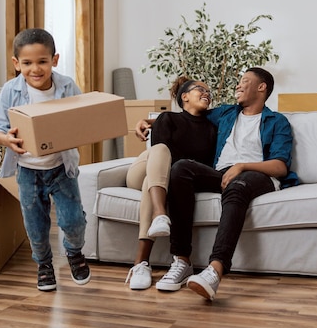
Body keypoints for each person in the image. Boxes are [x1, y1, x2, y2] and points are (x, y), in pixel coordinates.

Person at [137, 67, 298, 300]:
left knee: (237, 185)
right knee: (180, 168)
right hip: (221, 173)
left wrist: (242, 166)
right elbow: (190, 117)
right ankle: (182, 261)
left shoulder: (277, 121)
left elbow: (280, 166)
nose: (238, 86)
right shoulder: (225, 114)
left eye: (244, 82)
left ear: (261, 87)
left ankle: (215, 270)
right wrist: (149, 121)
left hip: (258, 176)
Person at [0, 28, 92, 292]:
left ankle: (73, 251)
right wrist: (7, 139)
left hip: (61, 167)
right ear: (16, 63)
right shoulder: (10, 91)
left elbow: (82, 121)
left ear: (54, 60)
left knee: (73, 222)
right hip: (27, 171)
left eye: (42, 61)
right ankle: (44, 264)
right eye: (27, 63)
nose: (35, 69)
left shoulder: (67, 86)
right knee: (35, 226)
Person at [124, 76, 217, 290]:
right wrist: (151, 121)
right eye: (199, 90)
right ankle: (159, 214)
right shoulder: (168, 118)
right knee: (161, 151)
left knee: (154, 181)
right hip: (142, 169)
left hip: (158, 181)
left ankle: (141, 264)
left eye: (208, 91)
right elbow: (158, 157)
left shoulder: (212, 129)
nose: (206, 93)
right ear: (184, 97)